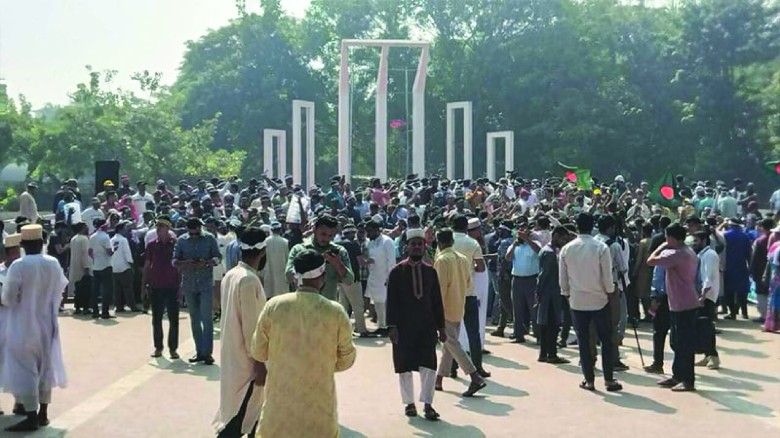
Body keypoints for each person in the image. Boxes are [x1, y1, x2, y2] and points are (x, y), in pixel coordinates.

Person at [251, 249, 356, 438]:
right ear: (322, 276)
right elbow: (346, 360)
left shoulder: (274, 306)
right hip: (319, 406)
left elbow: (258, 351)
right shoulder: (335, 312)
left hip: (280, 406)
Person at [0, 225, 68, 431]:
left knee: (26, 370)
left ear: (23, 245)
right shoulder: (53, 263)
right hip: (48, 324)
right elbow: (60, 290)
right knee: (45, 367)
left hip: (23, 325)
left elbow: (9, 299)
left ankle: (30, 415)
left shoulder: (19, 266)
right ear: (41, 243)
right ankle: (43, 414)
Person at [559, 213, 622, 392]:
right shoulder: (601, 247)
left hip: (577, 301)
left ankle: (589, 380)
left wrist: (567, 295)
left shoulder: (567, 249)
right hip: (600, 300)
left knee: (584, 342)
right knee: (606, 341)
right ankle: (609, 380)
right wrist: (610, 294)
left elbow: (562, 279)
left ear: (576, 226)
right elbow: (607, 277)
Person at [387, 229, 446, 421]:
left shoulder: (431, 271)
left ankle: (428, 404)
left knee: (428, 365)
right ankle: (409, 404)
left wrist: (442, 327)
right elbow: (392, 301)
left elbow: (437, 301)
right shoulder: (396, 272)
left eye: (420, 244)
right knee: (403, 365)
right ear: (407, 247)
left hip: (427, 326)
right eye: (413, 244)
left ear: (424, 246)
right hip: (403, 327)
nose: (417, 247)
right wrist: (392, 326)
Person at [214, 228, 268, 437]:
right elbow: (251, 328)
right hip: (247, 363)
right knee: (239, 419)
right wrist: (260, 363)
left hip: (232, 356)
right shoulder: (248, 280)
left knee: (243, 415)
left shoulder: (232, 274)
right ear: (262, 252)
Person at [432, 229, 487, 397]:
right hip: (459, 305)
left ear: (439, 243)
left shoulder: (441, 260)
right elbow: (469, 282)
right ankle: (439, 379)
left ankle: (474, 376)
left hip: (445, 308)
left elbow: (439, 289)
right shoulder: (463, 259)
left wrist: (434, 311)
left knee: (451, 343)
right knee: (449, 345)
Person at [647, 223, 700, 392]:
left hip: (683, 303)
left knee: (684, 344)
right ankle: (678, 375)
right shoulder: (688, 251)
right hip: (681, 302)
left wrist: (662, 246)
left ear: (671, 238)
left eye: (666, 237)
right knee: (678, 342)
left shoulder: (678, 254)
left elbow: (650, 260)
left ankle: (688, 380)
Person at [173, 217, 221, 365]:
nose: (194, 236)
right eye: (191, 234)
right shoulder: (181, 241)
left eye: (196, 233)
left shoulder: (209, 238)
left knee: (206, 318)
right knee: (194, 319)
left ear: (200, 229)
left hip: (205, 282)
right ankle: (199, 351)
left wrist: (207, 262)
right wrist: (185, 263)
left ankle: (207, 353)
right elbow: (174, 261)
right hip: (189, 283)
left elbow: (218, 257)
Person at [285, 215, 354, 301]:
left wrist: (337, 264)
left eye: (330, 236)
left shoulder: (338, 252)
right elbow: (288, 275)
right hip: (303, 304)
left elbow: (349, 280)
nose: (326, 238)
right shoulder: (299, 249)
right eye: (323, 234)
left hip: (328, 305)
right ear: (314, 229)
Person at [143, 216, 180, 359]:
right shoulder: (151, 245)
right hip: (156, 285)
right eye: (157, 227)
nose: (158, 230)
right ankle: (158, 347)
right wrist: (144, 284)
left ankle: (173, 348)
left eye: (161, 227)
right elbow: (147, 265)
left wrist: (181, 287)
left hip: (172, 285)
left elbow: (180, 267)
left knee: (173, 318)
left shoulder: (175, 244)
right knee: (156, 318)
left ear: (168, 229)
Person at [536, 226, 572, 364]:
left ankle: (544, 353)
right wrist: (538, 292)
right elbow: (543, 275)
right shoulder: (550, 253)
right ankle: (552, 354)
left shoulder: (546, 250)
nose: (564, 242)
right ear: (555, 236)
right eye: (562, 239)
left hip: (548, 293)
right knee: (553, 324)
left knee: (546, 325)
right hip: (551, 294)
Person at [505, 218, 541, 343]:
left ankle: (539, 334)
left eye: (524, 229)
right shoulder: (515, 245)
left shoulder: (534, 243)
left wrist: (527, 239)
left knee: (534, 309)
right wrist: (515, 244)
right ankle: (518, 334)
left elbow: (539, 251)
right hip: (517, 280)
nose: (521, 231)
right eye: (519, 229)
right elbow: (508, 258)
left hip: (531, 279)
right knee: (517, 308)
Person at [0, 233, 23, 417]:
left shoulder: (24, 272)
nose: (17, 256)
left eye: (19, 252)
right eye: (14, 252)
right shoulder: (1, 272)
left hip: (18, 323)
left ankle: (20, 402)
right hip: (1, 322)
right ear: (7, 254)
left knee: (19, 363)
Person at [693, 231, 721, 370]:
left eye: (696, 240)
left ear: (704, 240)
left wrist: (702, 296)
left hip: (707, 296)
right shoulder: (702, 255)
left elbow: (708, 278)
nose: (694, 243)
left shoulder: (710, 255)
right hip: (702, 295)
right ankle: (707, 355)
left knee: (706, 327)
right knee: (702, 327)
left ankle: (714, 357)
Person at [364, 220, 396, 335]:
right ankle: (381, 325)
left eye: (370, 231)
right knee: (377, 303)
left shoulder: (387, 242)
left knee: (385, 303)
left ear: (377, 230)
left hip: (385, 278)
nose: (368, 234)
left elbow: (391, 262)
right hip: (374, 277)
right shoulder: (371, 242)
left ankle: (387, 327)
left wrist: (390, 277)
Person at [337, 224, 368, 336]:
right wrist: (370, 261)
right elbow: (360, 261)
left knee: (343, 306)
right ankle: (361, 329)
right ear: (350, 233)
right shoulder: (353, 244)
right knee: (358, 306)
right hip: (353, 278)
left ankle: (342, 330)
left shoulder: (337, 244)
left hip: (340, 279)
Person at [723, 218, 752, 320]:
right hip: (741, 265)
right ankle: (744, 312)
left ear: (730, 225)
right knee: (742, 290)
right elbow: (749, 253)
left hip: (728, 265)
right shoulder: (745, 236)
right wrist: (750, 266)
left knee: (729, 290)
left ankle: (732, 313)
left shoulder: (725, 235)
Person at [89, 218, 115, 319]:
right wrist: (114, 250)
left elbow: (90, 252)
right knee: (106, 290)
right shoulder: (105, 237)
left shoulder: (92, 236)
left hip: (96, 266)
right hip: (106, 265)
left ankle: (95, 311)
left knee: (95, 290)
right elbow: (109, 252)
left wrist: (95, 259)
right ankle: (105, 312)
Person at [111, 221, 138, 312]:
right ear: (120, 230)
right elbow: (127, 254)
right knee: (128, 288)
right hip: (124, 267)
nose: (126, 231)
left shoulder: (112, 239)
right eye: (124, 229)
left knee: (117, 289)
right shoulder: (123, 240)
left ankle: (118, 306)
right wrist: (132, 266)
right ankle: (132, 306)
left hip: (114, 267)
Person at [68, 222, 92, 314]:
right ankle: (86, 308)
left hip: (75, 266)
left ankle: (77, 307)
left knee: (77, 289)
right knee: (85, 289)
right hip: (83, 267)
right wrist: (86, 267)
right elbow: (85, 254)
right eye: (86, 227)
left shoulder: (74, 238)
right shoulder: (84, 239)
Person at [261, 222, 289, 299]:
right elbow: (287, 258)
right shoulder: (285, 242)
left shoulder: (265, 242)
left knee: (269, 296)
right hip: (282, 273)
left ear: (271, 230)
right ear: (280, 230)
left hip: (268, 272)